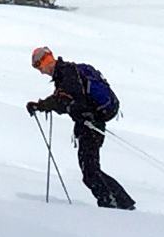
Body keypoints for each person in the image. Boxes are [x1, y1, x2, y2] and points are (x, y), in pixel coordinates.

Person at [27, 46, 134, 209]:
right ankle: (122, 203)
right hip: (90, 124)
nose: (40, 71)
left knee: (90, 172)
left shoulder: (66, 72)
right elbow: (67, 101)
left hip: (90, 125)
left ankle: (111, 204)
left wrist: (41, 105)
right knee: (91, 170)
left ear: (46, 61)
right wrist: (44, 105)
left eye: (39, 66)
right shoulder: (66, 74)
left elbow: (65, 100)